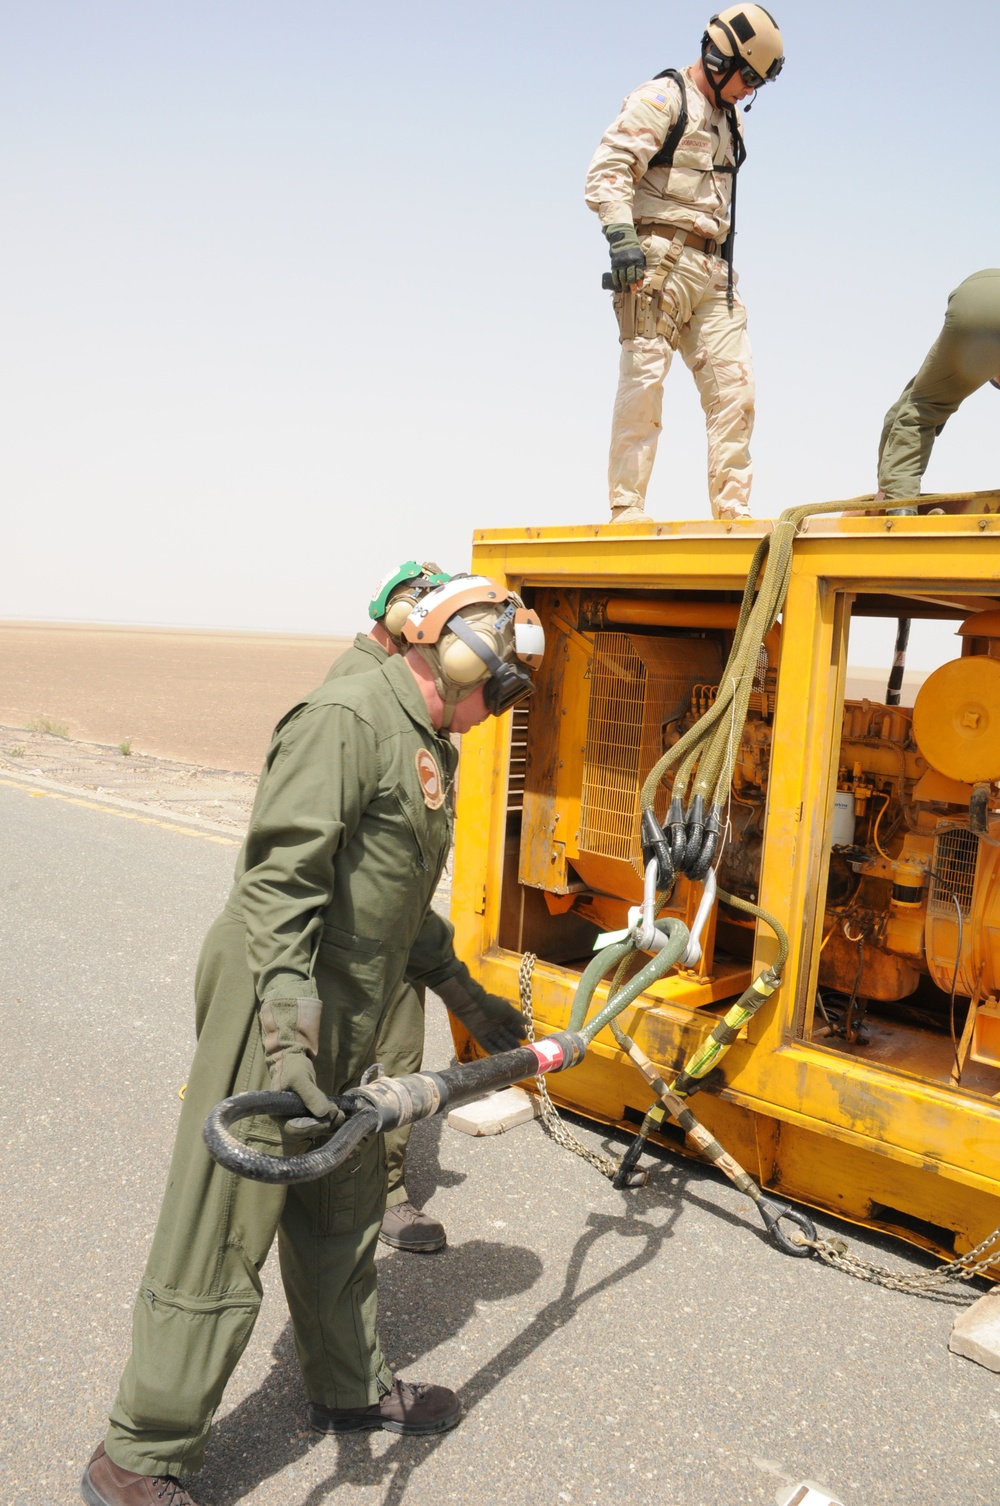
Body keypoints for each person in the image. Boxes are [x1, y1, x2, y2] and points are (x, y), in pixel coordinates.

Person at [81, 574, 545, 1506]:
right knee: (223, 1222)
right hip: (276, 1001)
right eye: (488, 675)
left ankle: (347, 1388)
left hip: (349, 1009)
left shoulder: (425, 738)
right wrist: (290, 1040)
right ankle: (138, 1455)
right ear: (448, 654)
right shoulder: (343, 720)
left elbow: (396, 900)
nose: (490, 704)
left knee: (340, 1205)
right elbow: (277, 891)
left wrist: (464, 994)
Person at [585, 5, 784, 524]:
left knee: (736, 392)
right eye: (747, 78)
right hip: (657, 265)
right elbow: (608, 169)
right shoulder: (662, 99)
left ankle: (733, 512)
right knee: (644, 383)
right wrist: (621, 237)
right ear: (719, 59)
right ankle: (627, 509)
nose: (748, 92)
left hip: (714, 273)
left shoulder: (730, 116)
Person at [325, 560, 456, 1253]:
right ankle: (382, 1193)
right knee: (380, 1059)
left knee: (398, 1054)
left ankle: (372, 1184)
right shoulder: (357, 689)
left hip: (398, 921)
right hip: (363, 929)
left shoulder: (397, 683)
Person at [877, 269, 1000, 511]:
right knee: (922, 406)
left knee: (922, 407)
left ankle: (900, 509)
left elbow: (906, 411)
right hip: (983, 302)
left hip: (979, 297)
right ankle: (898, 503)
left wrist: (891, 489)